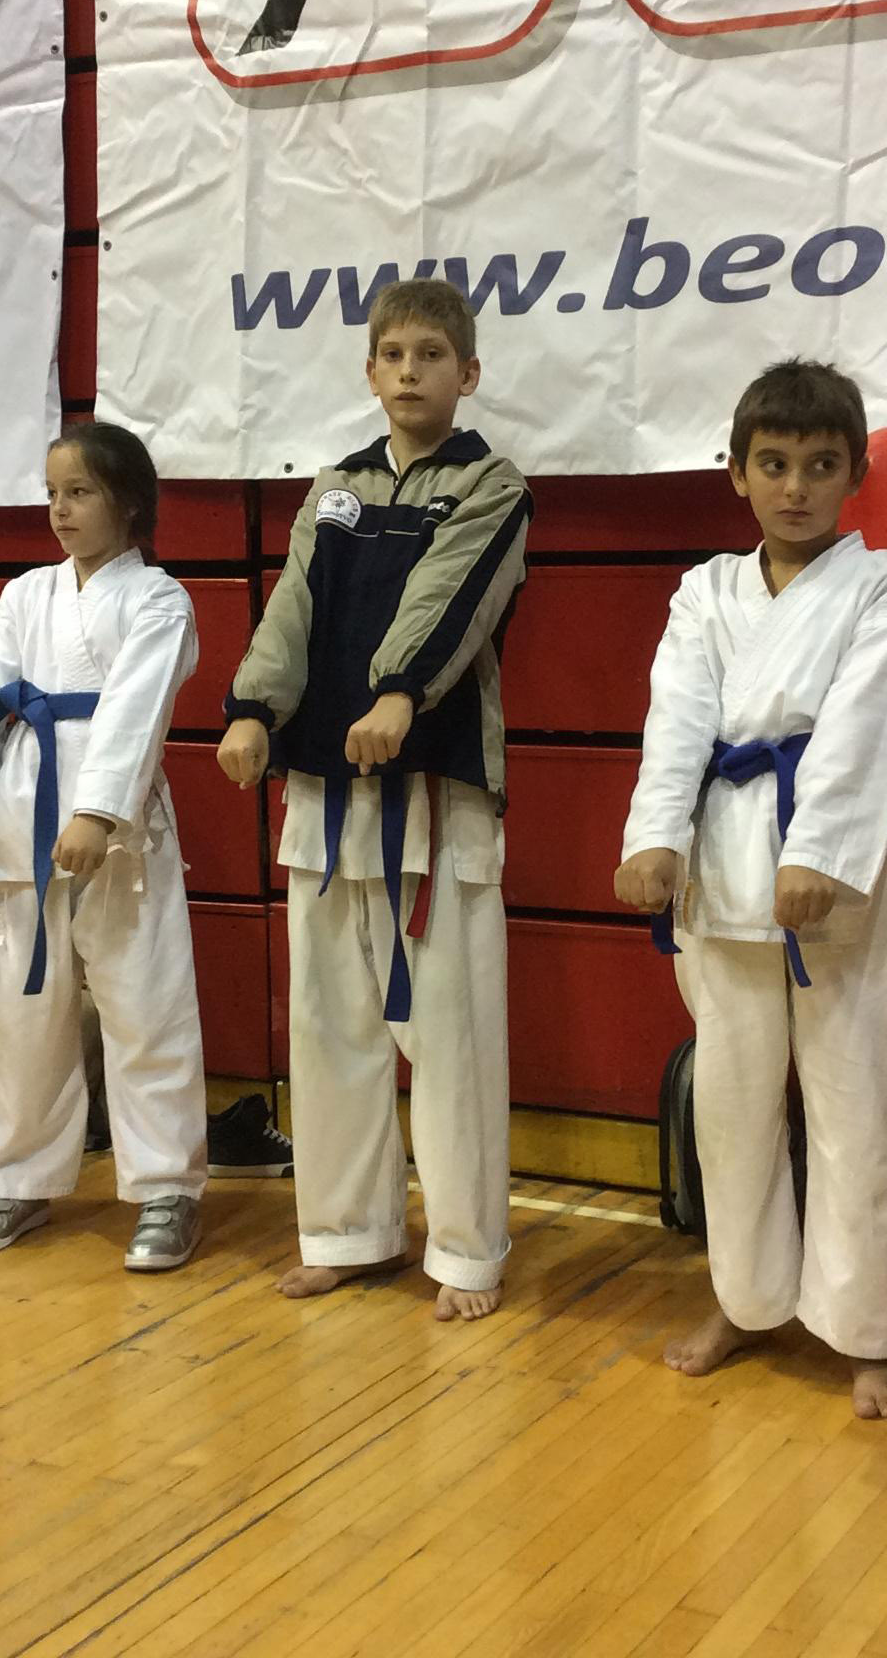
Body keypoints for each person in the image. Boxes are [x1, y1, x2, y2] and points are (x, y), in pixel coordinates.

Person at [614, 360, 887, 1417]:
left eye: (821, 465)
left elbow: (865, 725)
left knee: (858, 1106)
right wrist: (655, 836)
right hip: (722, 863)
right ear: (738, 472)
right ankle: (745, 1301)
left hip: (833, 874)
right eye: (775, 464)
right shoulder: (705, 589)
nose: (796, 486)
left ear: (857, 475)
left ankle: (869, 1331)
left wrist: (819, 854)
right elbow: (675, 715)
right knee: (732, 1107)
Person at [217, 277, 532, 1322]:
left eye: (431, 356)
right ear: (369, 371)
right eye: (393, 355)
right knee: (330, 1023)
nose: (409, 372)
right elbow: (292, 604)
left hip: (434, 792)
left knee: (449, 1033)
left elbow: (456, 593)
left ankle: (466, 1251)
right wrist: (254, 707)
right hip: (323, 787)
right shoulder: (337, 487)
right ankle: (347, 1232)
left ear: (468, 373)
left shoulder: (491, 484)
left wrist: (400, 690)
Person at [0, 422, 210, 1270]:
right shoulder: (24, 595)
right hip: (16, 815)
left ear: (130, 503)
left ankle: (167, 1187)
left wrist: (99, 813)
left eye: (80, 492)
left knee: (144, 1006)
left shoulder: (158, 600)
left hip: (117, 835)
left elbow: (137, 711)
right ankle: (21, 1176)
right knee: (23, 1011)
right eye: (52, 494)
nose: (61, 509)